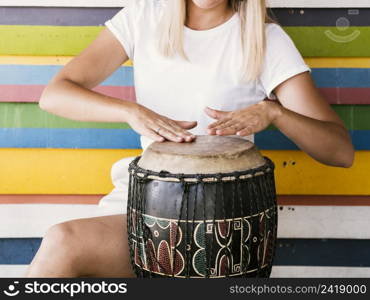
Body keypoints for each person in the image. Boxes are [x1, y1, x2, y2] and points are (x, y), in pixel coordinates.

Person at [26, 0, 354, 277]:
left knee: (65, 242)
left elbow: (340, 151)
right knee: (62, 242)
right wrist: (132, 112)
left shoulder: (266, 41)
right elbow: (55, 95)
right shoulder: (143, 16)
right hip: (144, 203)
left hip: (224, 222)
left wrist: (275, 112)